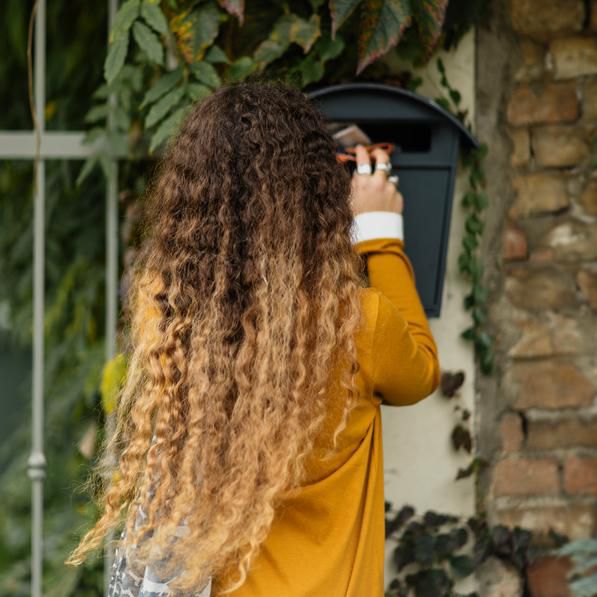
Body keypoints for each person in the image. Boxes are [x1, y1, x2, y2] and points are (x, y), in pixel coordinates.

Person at [66, 81, 440, 596]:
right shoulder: (358, 322)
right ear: (318, 194)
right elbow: (421, 373)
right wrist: (381, 236)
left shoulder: (170, 313)